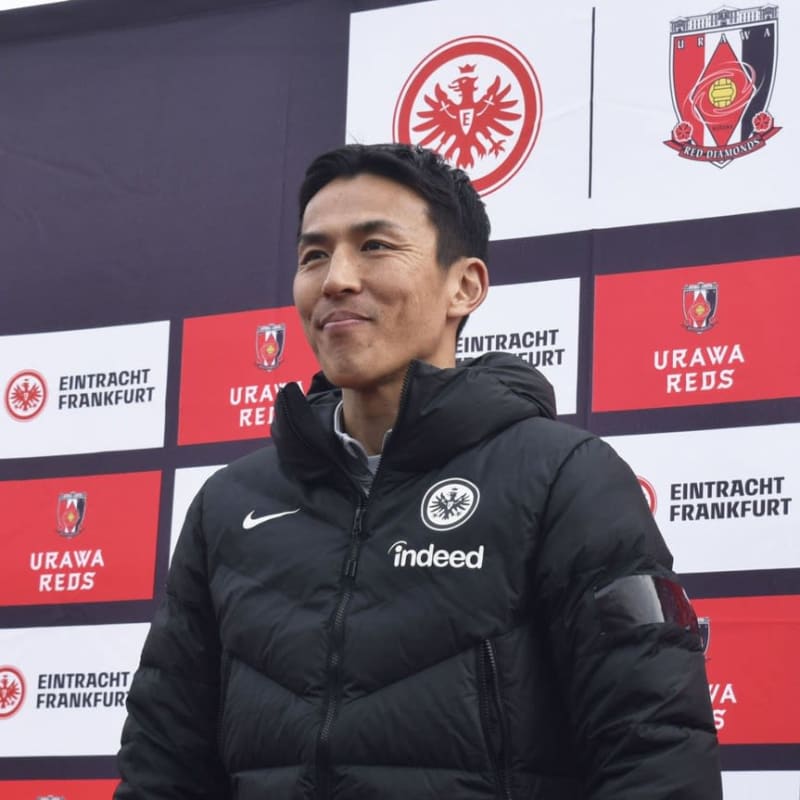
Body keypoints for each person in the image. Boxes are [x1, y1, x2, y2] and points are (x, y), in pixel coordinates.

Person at [116, 143, 722, 799]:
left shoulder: (564, 478)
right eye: (314, 255)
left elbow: (656, 756)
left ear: (465, 287)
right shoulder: (229, 504)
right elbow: (162, 768)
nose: (335, 279)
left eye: (374, 246)